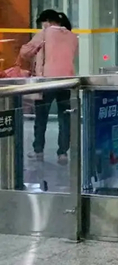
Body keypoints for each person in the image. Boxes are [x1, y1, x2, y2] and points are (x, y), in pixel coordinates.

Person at [19, 10, 78, 164]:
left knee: (41, 117)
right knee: (65, 118)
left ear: (47, 21)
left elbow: (25, 52)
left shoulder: (44, 34)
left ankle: (38, 150)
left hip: (47, 81)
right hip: (67, 81)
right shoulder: (72, 36)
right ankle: (63, 153)